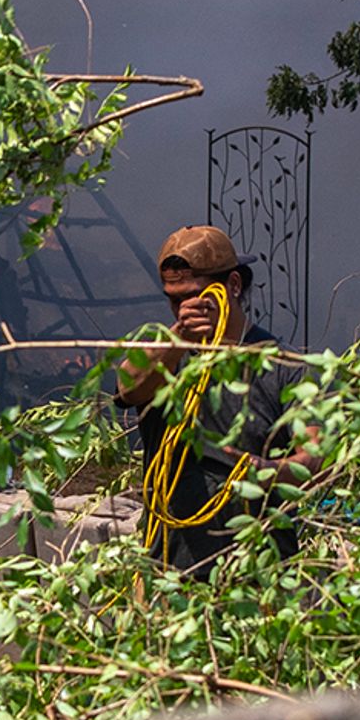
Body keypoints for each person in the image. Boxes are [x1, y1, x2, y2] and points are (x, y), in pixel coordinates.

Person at [117, 224, 298, 572]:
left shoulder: (282, 365)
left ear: (233, 285)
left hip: (257, 573)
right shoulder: (165, 353)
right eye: (174, 299)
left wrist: (265, 472)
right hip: (170, 568)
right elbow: (129, 388)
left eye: (196, 295)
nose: (184, 308)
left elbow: (314, 460)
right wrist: (179, 336)